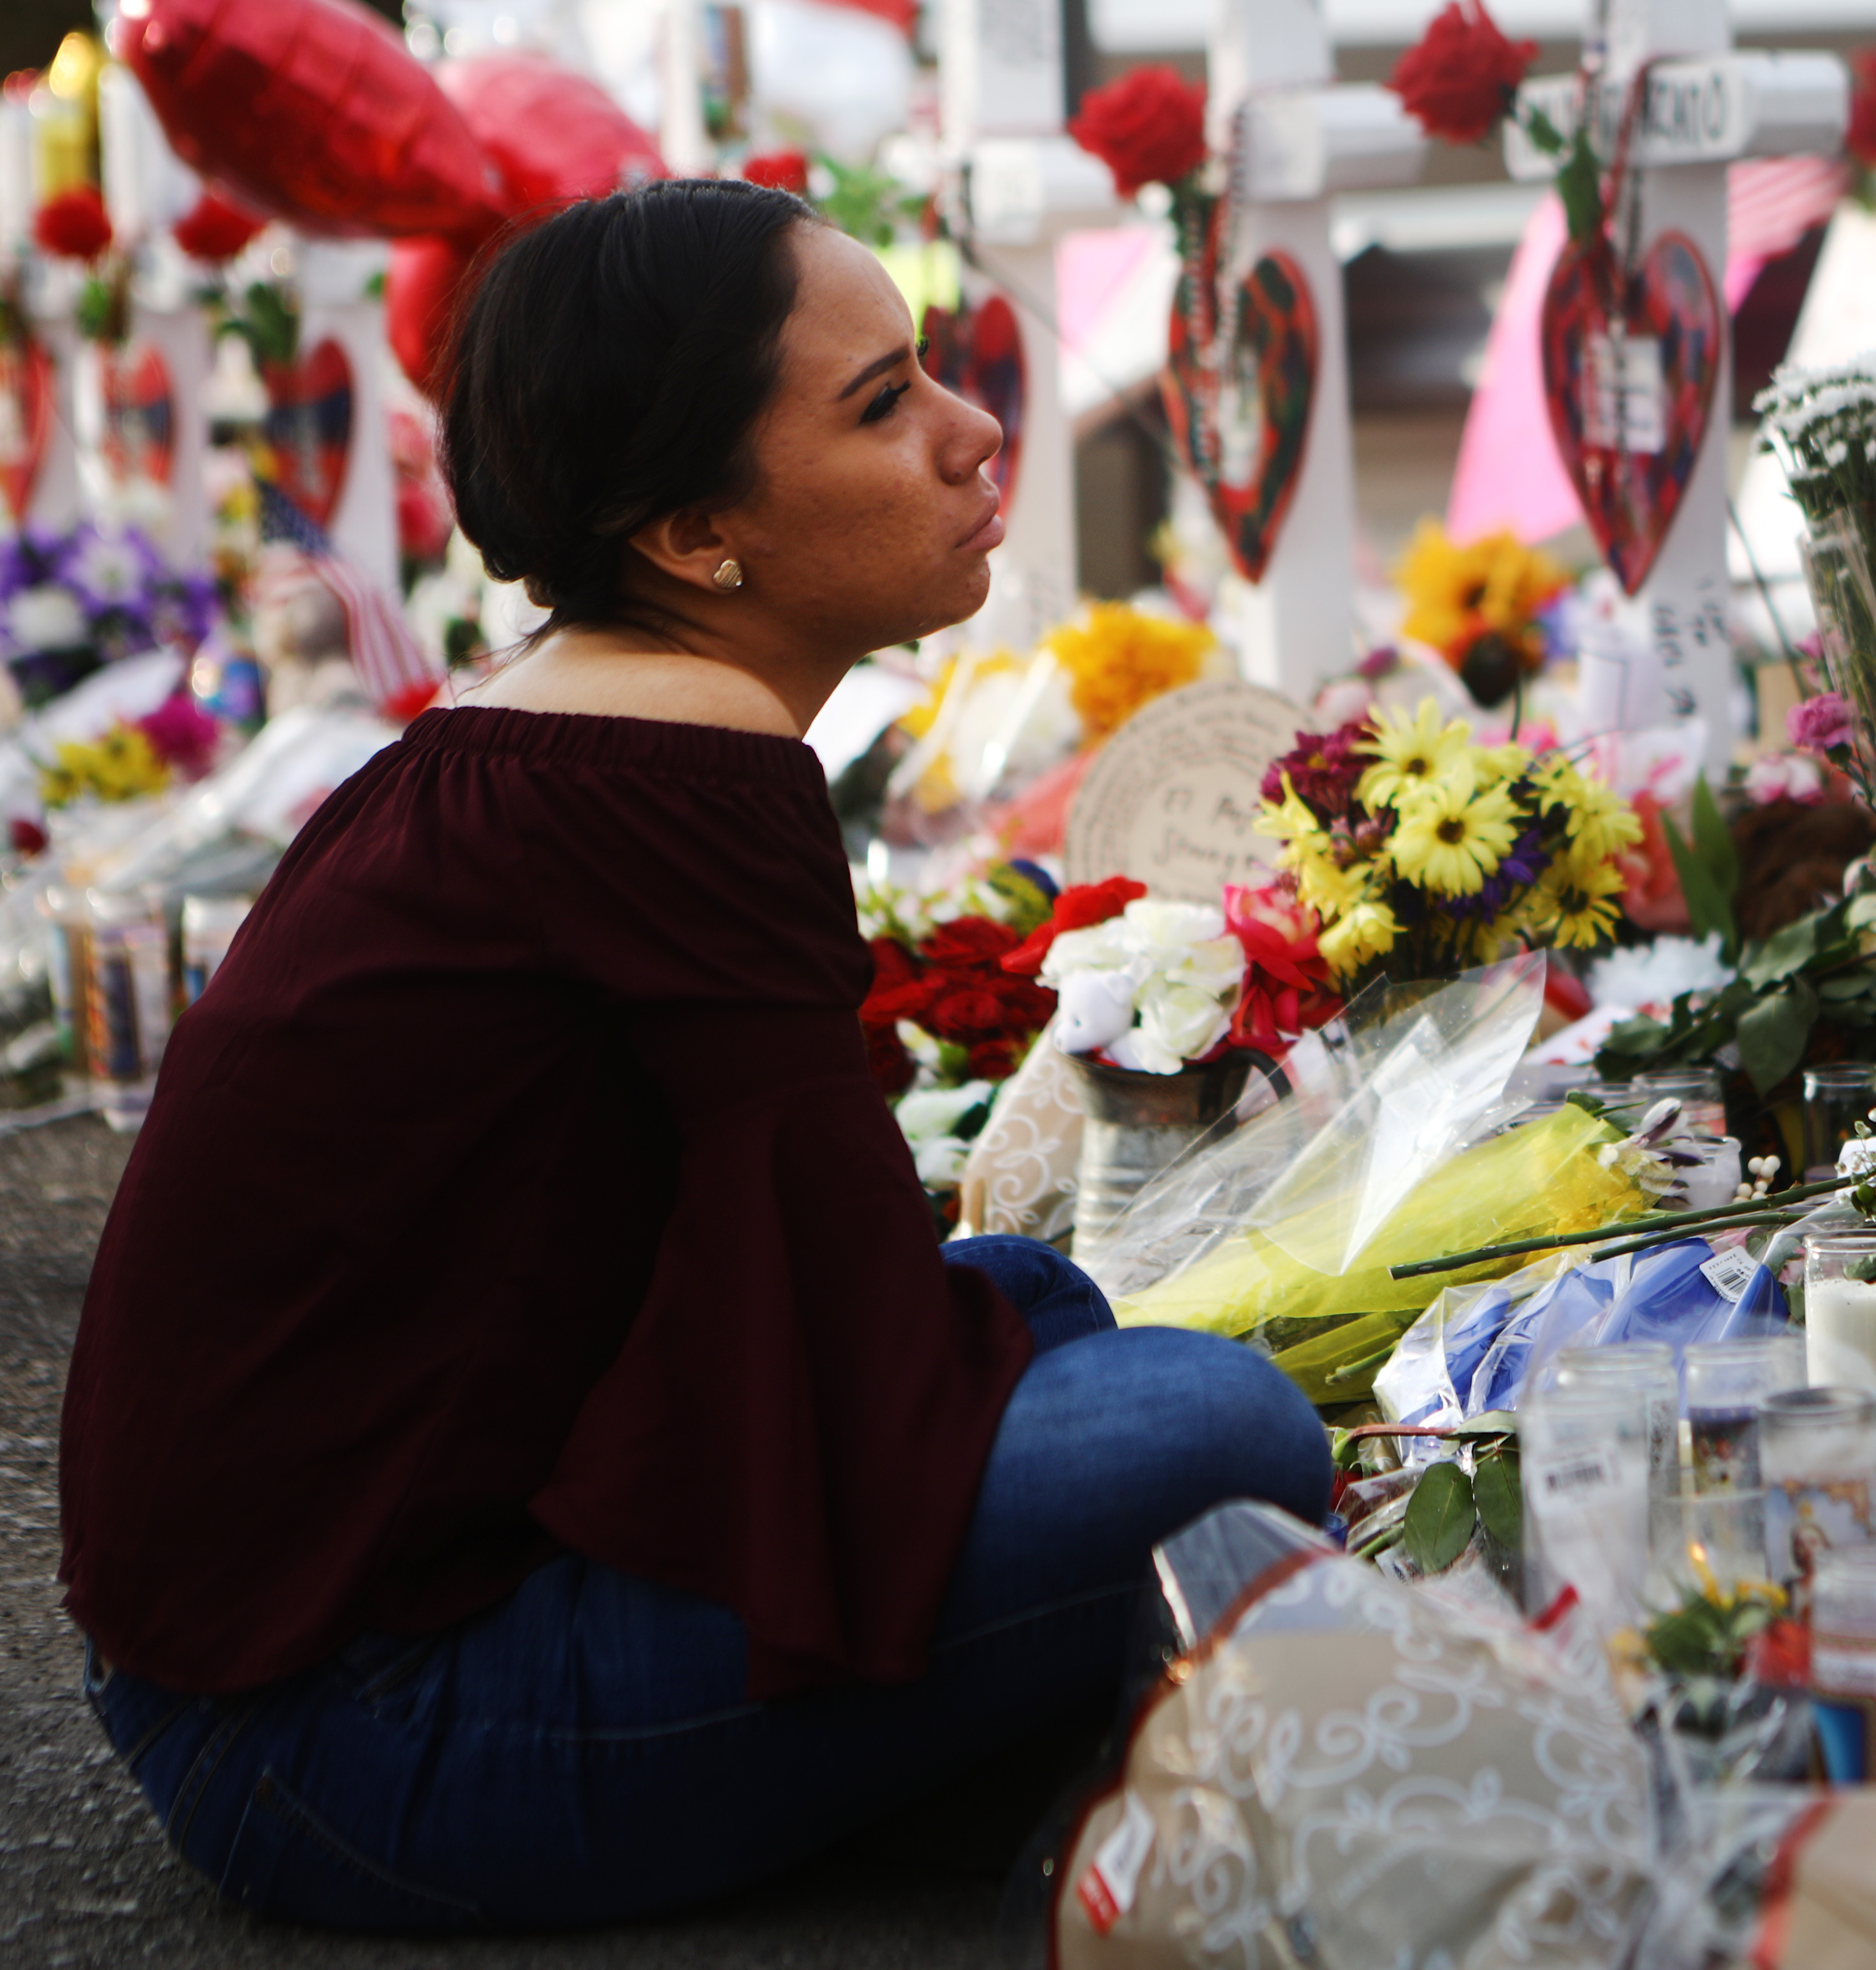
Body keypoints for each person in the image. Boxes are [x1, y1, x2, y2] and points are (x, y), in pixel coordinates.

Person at [57, 180, 1332, 1932]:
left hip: (247, 1656)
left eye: (935, 369)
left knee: (1031, 1290)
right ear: (688, 531)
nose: (976, 434)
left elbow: (762, 1290)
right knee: (1216, 1427)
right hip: (344, 1731)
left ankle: (931, 1751)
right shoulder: (687, 779)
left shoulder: (544, 717)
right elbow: (845, 1335)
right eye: (883, 404)